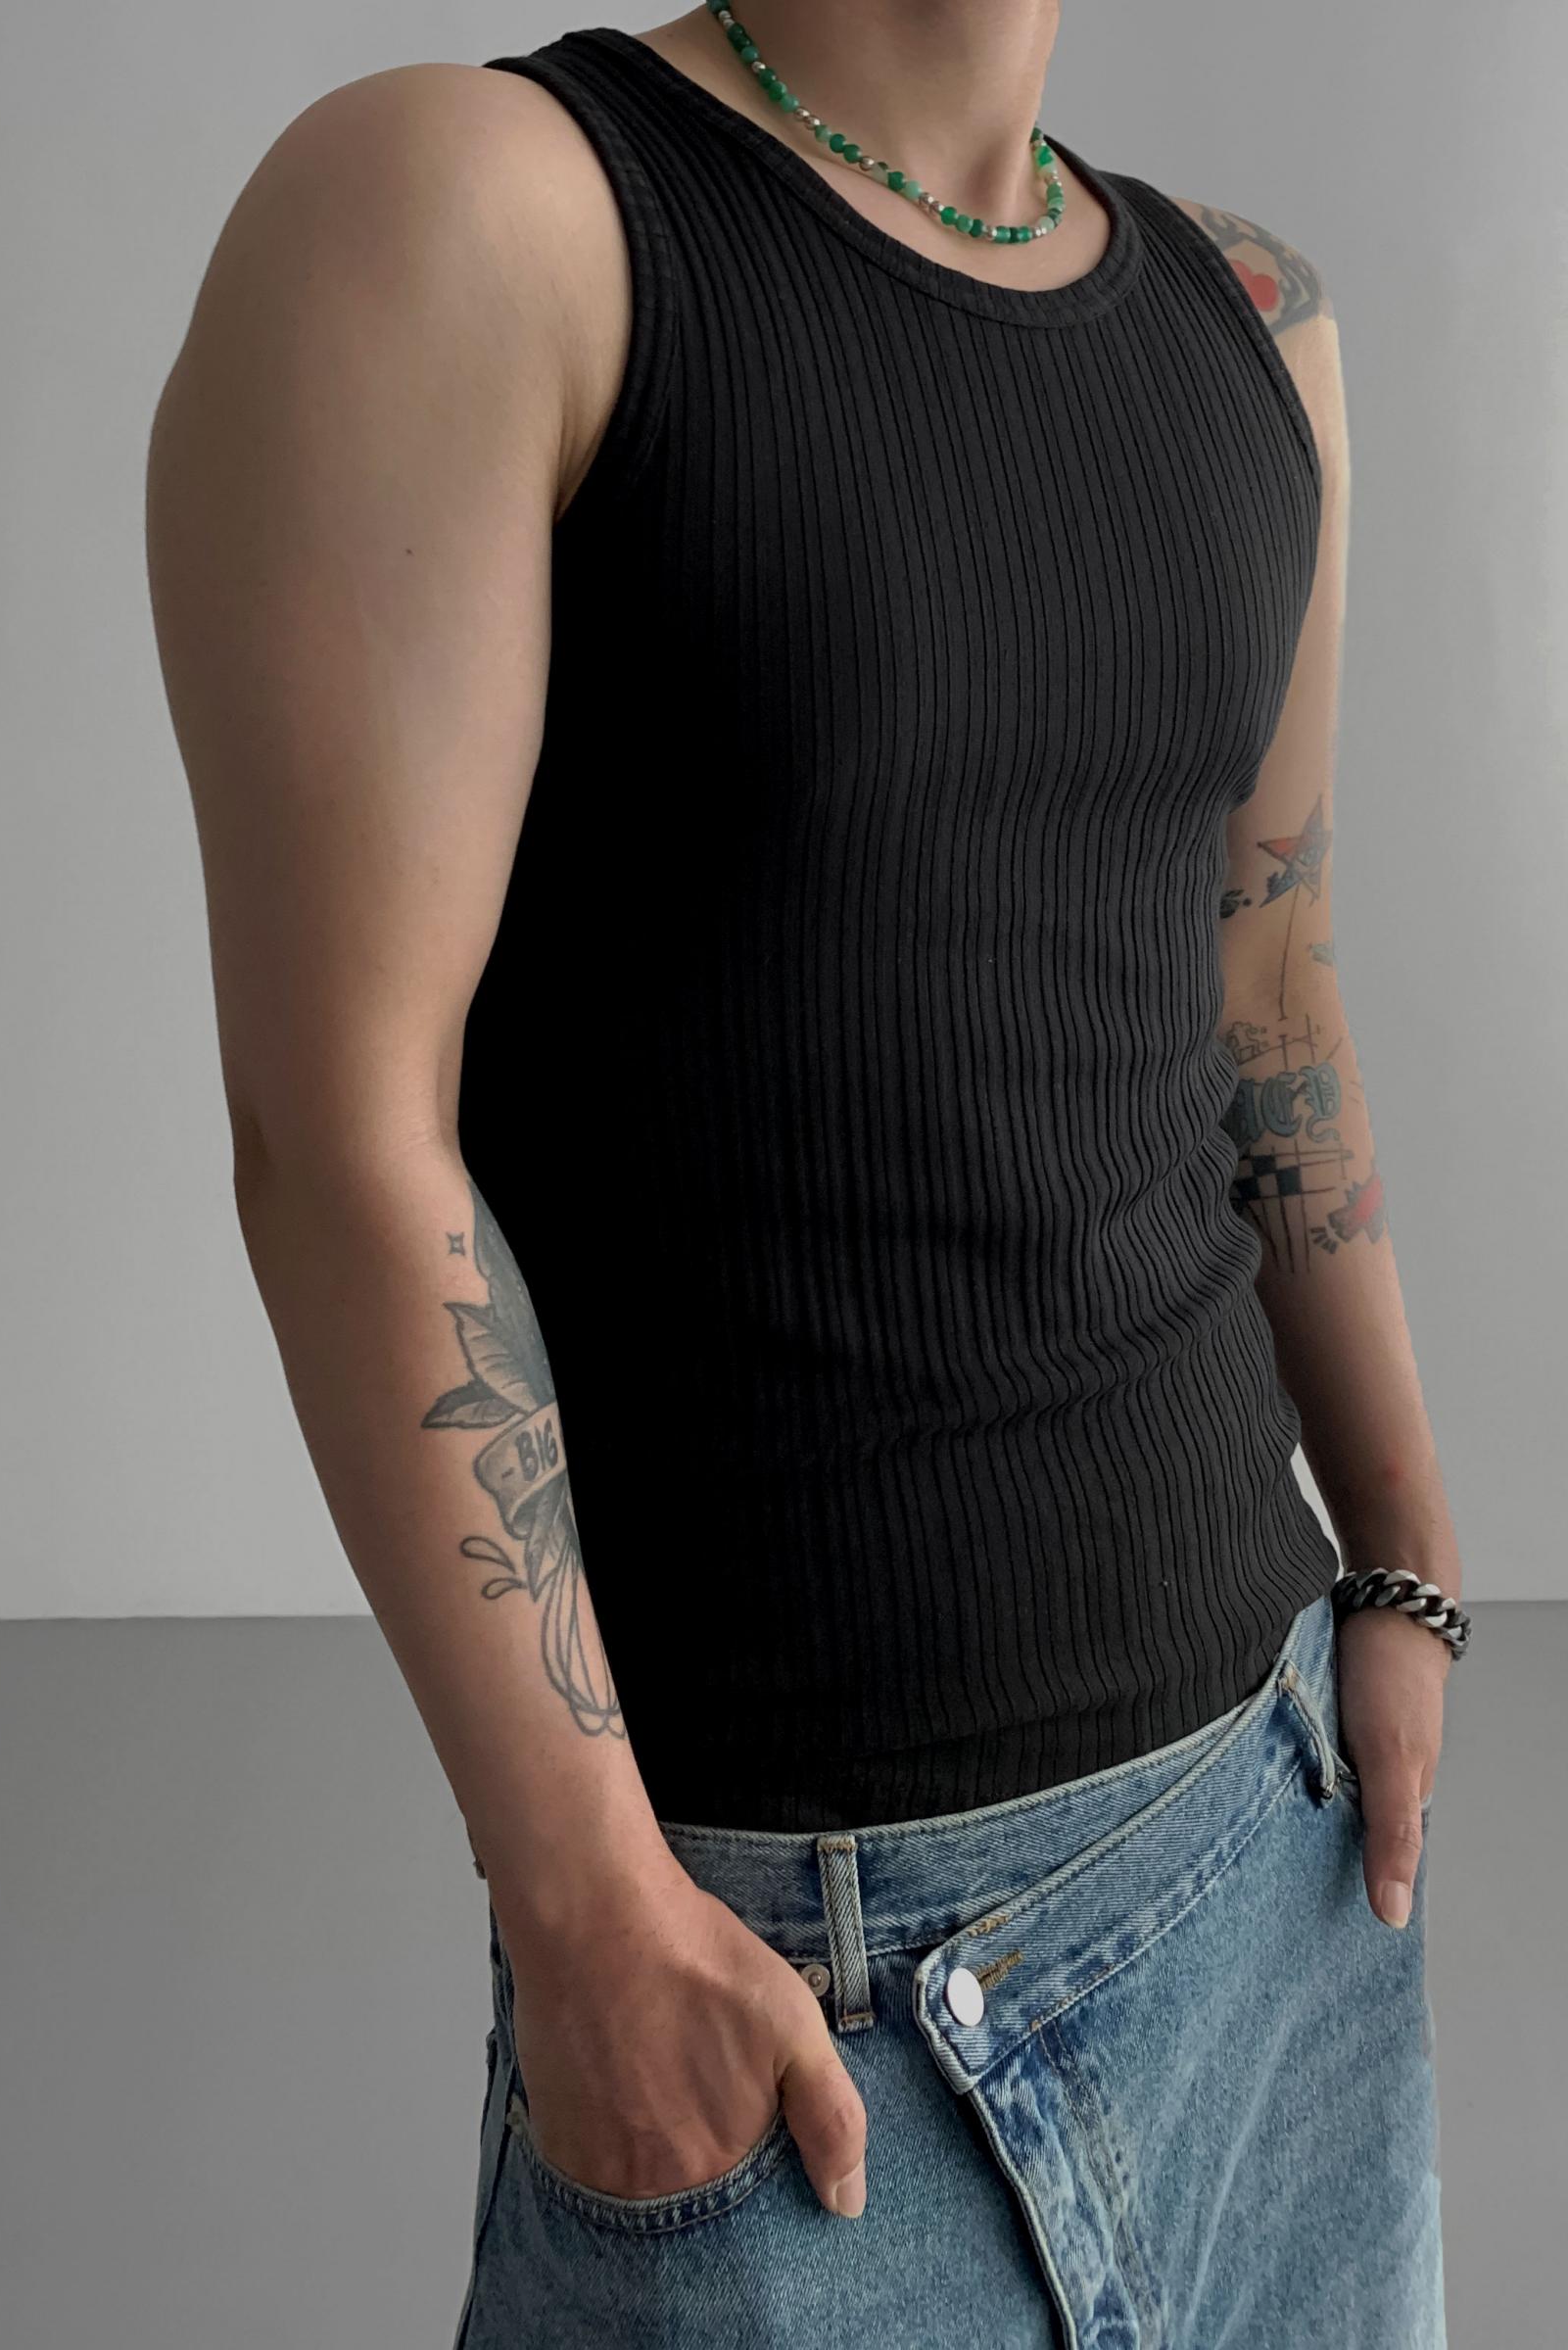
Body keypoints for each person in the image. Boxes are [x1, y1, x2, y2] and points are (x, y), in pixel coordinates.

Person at [144, 4, 1466, 2340]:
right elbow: (341, 1126)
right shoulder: (484, 216)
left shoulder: (1258, 324)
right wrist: (584, 1913)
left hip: (1275, 1861)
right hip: (803, 1996)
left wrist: (1411, 1565)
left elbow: (1269, 980)